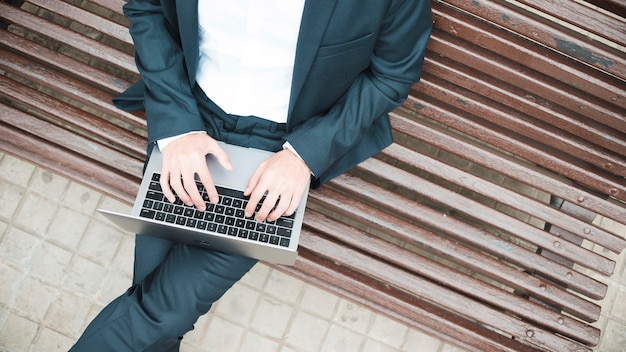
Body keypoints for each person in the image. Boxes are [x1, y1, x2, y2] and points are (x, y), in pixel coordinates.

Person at [70, 0, 432, 350]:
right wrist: (178, 130)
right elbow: (147, 7)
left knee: (160, 312)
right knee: (158, 309)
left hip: (282, 146)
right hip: (191, 115)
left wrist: (304, 156)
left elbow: (392, 73)